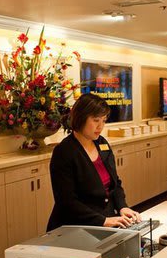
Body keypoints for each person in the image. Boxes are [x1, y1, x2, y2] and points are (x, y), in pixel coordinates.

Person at [46, 93, 141, 230]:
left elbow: (115, 183)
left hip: (107, 220)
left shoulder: (102, 143)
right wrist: (103, 221)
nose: (100, 126)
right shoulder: (64, 152)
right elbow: (67, 202)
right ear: (81, 118)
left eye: (104, 121)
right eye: (96, 120)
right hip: (76, 226)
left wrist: (122, 206)